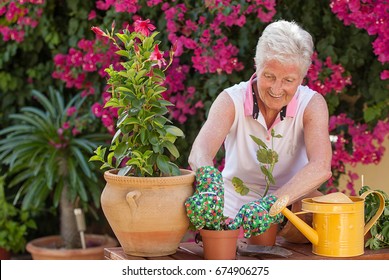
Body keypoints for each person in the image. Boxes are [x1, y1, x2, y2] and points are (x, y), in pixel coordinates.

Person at [185, 20, 332, 243]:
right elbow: (200, 150)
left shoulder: (312, 104)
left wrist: (271, 204)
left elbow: (321, 167)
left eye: (288, 80)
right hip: (231, 214)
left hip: (289, 214)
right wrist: (208, 181)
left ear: (302, 77)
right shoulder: (230, 100)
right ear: (256, 64)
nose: (276, 89)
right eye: (269, 76)